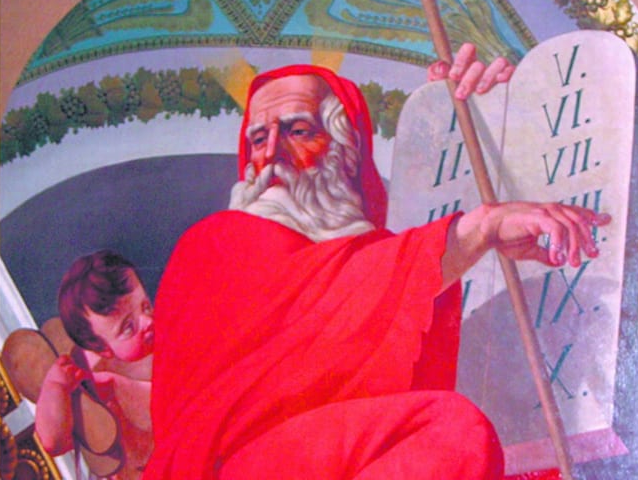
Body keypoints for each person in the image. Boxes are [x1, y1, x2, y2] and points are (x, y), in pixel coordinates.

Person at [144, 44, 610, 479]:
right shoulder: (216, 240)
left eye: (298, 131)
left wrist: (490, 128)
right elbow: (337, 309)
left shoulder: (386, 261)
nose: (270, 155)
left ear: (347, 153)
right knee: (450, 433)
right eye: (259, 138)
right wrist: (477, 229)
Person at [35, 250, 155, 479]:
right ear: (102, 349)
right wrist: (55, 387)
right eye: (128, 327)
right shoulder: (100, 383)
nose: (148, 321)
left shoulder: (170, 334)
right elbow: (52, 442)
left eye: (146, 306)